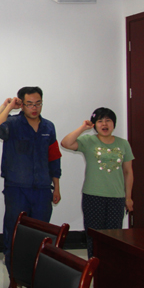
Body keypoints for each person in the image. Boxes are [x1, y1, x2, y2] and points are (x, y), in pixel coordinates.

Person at [0, 86, 61, 273]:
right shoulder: (12, 123)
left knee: (42, 233)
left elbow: (54, 158)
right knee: (14, 232)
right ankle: (14, 276)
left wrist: (56, 187)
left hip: (43, 188)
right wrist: (9, 106)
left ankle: (37, 273)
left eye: (38, 103)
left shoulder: (48, 127)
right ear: (22, 104)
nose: (34, 108)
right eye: (29, 104)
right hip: (17, 188)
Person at [60, 107, 134, 258]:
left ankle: (110, 267)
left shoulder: (123, 144)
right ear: (94, 124)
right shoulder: (89, 141)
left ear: (114, 124)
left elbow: (128, 172)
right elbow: (66, 143)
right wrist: (83, 128)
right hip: (93, 196)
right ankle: (94, 267)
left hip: (116, 197)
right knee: (93, 236)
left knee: (114, 237)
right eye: (100, 121)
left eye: (108, 120)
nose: (104, 124)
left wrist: (128, 197)